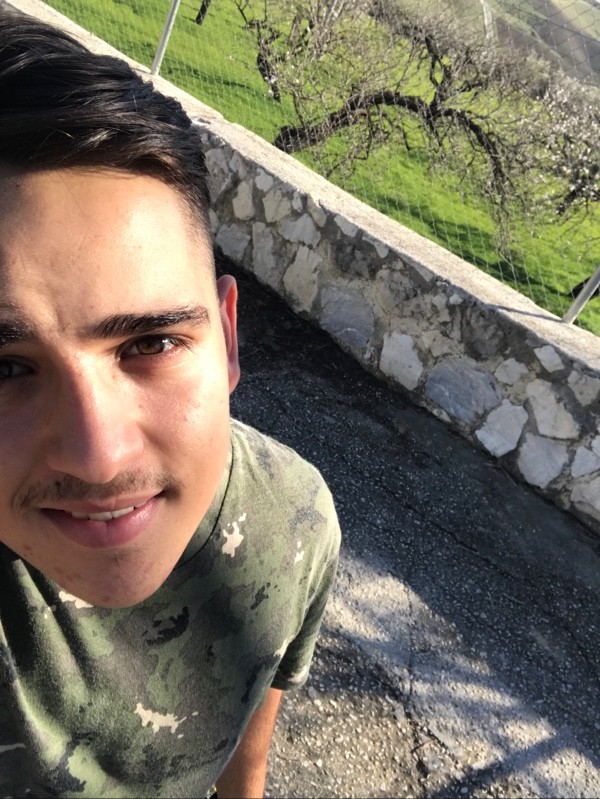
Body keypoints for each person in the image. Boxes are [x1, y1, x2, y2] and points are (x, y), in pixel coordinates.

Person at [0, 13, 340, 799]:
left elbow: (245, 745)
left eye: (151, 342)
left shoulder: (295, 522)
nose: (99, 456)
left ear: (227, 336)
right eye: (6, 367)